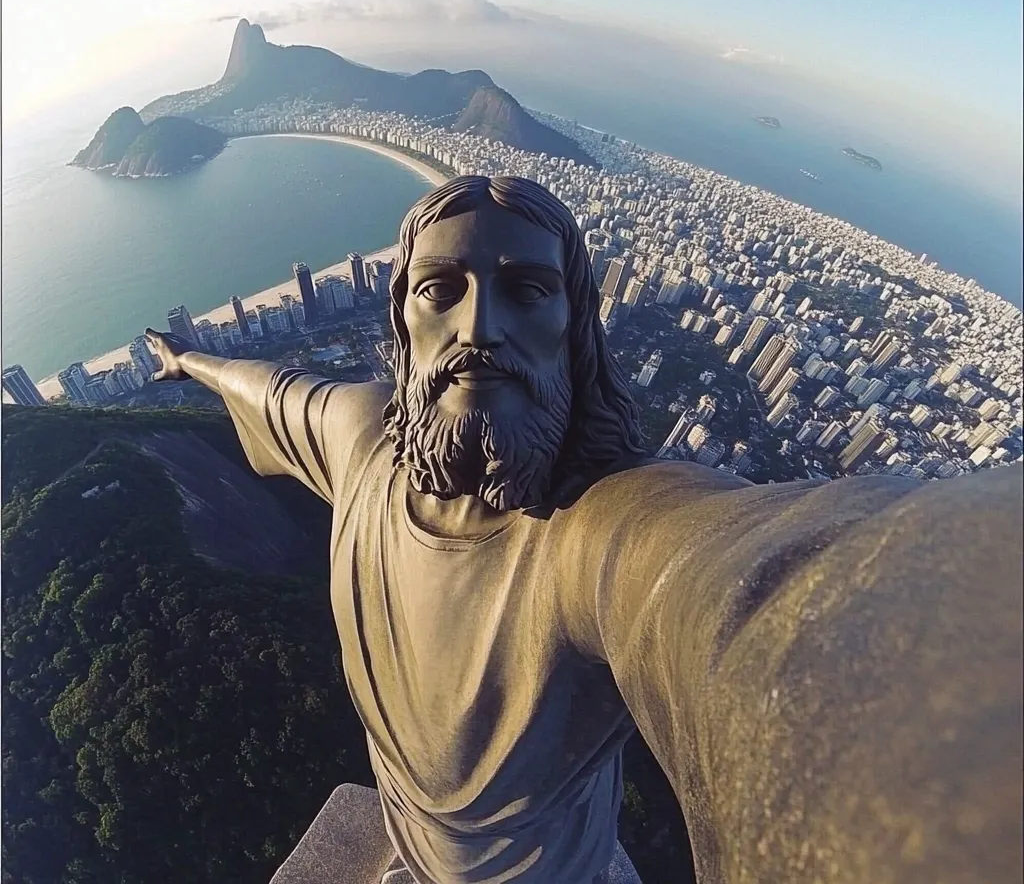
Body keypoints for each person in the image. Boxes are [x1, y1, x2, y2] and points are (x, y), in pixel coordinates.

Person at [146, 176, 1022, 884]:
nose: (479, 327)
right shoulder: (359, 440)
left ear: (576, 334)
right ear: (402, 326)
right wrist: (188, 360)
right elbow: (267, 387)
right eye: (439, 290)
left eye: (526, 291)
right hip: (412, 850)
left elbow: (757, 586)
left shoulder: (595, 535)